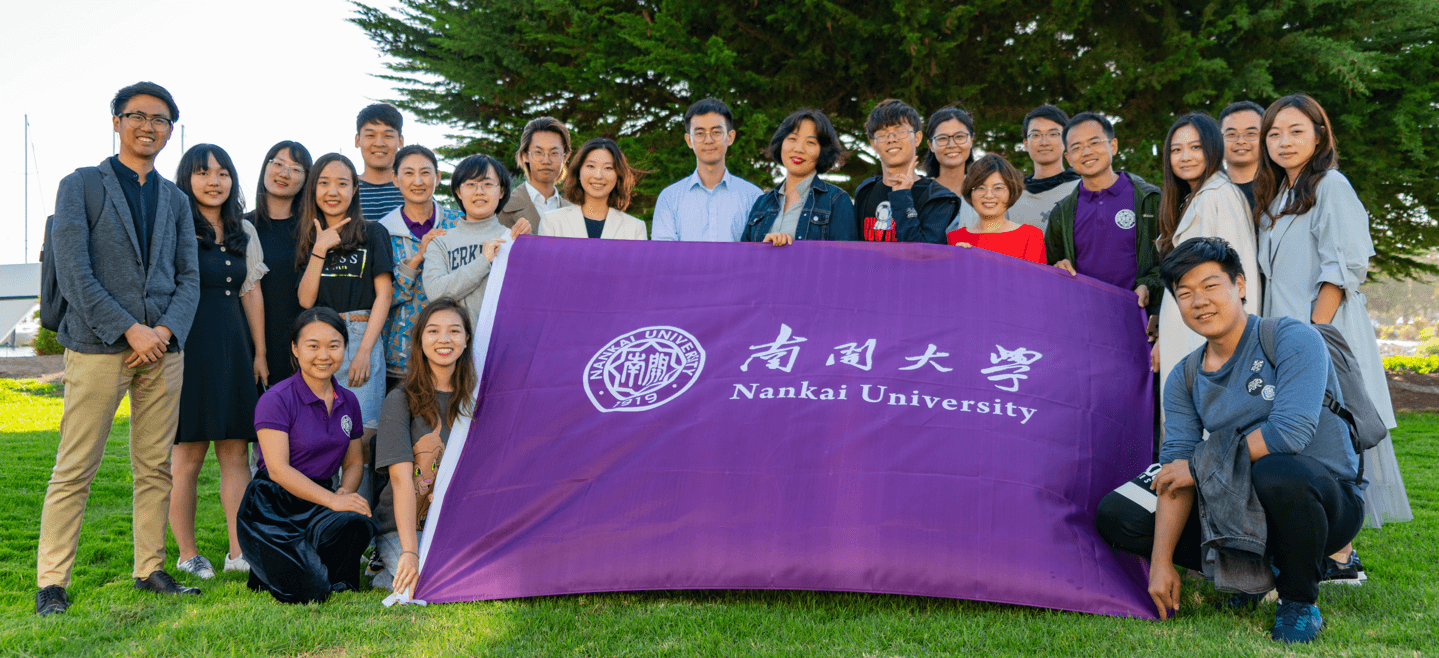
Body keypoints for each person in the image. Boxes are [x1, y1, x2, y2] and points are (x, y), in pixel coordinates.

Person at [1095, 236, 1365, 644]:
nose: (1198, 301)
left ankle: (1298, 601)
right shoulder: (1185, 376)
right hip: (1239, 506)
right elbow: (1175, 470)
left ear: (1240, 285)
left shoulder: (1290, 338)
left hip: (1325, 503)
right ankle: (1253, 573)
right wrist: (1161, 562)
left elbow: (1289, 432)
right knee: (1119, 512)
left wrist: (1198, 468)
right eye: (1184, 293)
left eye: (1210, 286)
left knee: (1276, 469)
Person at [37, 81, 201, 616]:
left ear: (170, 130)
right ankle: (52, 582)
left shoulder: (176, 199)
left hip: (164, 352)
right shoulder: (80, 185)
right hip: (99, 347)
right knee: (75, 466)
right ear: (116, 121)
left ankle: (150, 569)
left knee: (155, 466)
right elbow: (75, 272)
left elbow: (188, 278)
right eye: (137, 115)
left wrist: (164, 334)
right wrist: (130, 329)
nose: (149, 126)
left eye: (160, 119)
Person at [1254, 93, 1409, 539]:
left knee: (1338, 434)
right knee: (1306, 437)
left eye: (1296, 131)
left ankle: (1343, 553)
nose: (1283, 141)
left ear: (1320, 135)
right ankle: (1319, 539)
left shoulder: (1331, 186)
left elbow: (1339, 272)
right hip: (1286, 332)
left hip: (1323, 330)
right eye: (1274, 133)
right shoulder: (1281, 194)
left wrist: (1312, 338)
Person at [168, 144, 269, 580]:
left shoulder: (243, 229)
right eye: (204, 172)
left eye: (223, 172)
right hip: (187, 350)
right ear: (187, 179)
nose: (214, 180)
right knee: (187, 457)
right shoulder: (173, 225)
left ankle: (237, 549)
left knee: (236, 452)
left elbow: (251, 291)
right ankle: (187, 553)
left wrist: (260, 352)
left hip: (234, 346)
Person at [236, 307, 378, 604]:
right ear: (295, 349)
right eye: (313, 346)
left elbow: (353, 462)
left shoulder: (348, 400)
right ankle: (274, 564)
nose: (324, 356)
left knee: (357, 523)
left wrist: (343, 494)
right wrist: (333, 501)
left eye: (334, 346)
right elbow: (277, 470)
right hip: (272, 507)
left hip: (319, 499)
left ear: (344, 347)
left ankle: (309, 563)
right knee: (312, 591)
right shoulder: (276, 399)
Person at [1151, 113, 1260, 402]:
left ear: (1212, 148)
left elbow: (1232, 280)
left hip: (1211, 343)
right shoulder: (1193, 199)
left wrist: (1226, 352)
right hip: (1188, 336)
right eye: (1176, 150)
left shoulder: (1218, 197)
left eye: (1195, 147)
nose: (1185, 157)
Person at [370, 298, 476, 593]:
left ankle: (385, 574)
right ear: (419, 340)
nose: (444, 339)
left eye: (454, 331)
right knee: (429, 585)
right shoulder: (400, 400)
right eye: (433, 331)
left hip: (453, 525)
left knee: (472, 576)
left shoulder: (475, 403)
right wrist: (409, 550)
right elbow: (402, 480)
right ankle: (388, 558)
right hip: (404, 527)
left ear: (467, 340)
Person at [296, 154, 394, 444]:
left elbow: (384, 295)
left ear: (354, 189)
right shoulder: (306, 236)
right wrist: (320, 248)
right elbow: (305, 300)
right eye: (324, 183)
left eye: (342, 183)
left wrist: (364, 351)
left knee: (359, 438)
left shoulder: (373, 232)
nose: (333, 192)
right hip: (319, 337)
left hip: (361, 333)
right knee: (322, 437)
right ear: (314, 189)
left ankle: (356, 492)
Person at [1044, 112, 1162, 317]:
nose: (1086, 152)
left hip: (1140, 318)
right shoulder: (1061, 214)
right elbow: (1049, 266)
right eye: (1077, 147)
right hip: (1084, 320)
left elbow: (1169, 262)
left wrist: (1148, 287)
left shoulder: (1149, 200)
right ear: (1068, 158)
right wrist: (1058, 268)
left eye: (1094, 142)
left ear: (1113, 146)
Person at [379, 145, 461, 389]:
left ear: (437, 177)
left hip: (452, 354)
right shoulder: (381, 231)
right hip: (399, 359)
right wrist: (415, 260)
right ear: (395, 178)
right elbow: (381, 299)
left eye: (425, 173)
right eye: (408, 173)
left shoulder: (459, 224)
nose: (418, 181)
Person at [424, 154, 529, 323]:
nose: (479, 192)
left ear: (501, 191)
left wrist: (526, 245)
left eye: (488, 184)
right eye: (471, 184)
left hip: (502, 343)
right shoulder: (441, 242)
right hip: (457, 346)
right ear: (458, 191)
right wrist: (483, 261)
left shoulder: (513, 240)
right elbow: (435, 293)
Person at [247, 141, 313, 385]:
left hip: (301, 342)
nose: (284, 174)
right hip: (249, 340)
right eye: (278, 164)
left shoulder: (312, 231)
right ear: (266, 167)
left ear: (306, 180)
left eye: (296, 169)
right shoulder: (241, 226)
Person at [651, 98, 764, 242]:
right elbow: (664, 255)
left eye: (716, 132)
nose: (708, 140)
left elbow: (759, 253)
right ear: (689, 140)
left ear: (730, 137)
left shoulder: (753, 197)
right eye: (699, 133)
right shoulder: (669, 198)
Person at [740, 109, 856, 244]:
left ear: (822, 151)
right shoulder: (762, 203)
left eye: (810, 142)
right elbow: (745, 259)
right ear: (781, 143)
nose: (799, 149)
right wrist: (763, 249)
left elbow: (846, 260)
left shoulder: (836, 201)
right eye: (792, 139)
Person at [855, 99, 958, 243]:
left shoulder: (938, 198)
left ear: (917, 138)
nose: (891, 139)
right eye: (883, 134)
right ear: (873, 144)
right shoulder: (865, 191)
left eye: (899, 131)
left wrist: (902, 198)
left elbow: (923, 255)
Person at [538, 138, 648, 240]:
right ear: (578, 172)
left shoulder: (635, 228)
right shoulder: (552, 222)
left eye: (608, 168)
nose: (598, 175)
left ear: (618, 176)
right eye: (591, 166)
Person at [945, 154, 1045, 264]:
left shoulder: (1031, 236)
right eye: (980, 188)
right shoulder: (954, 238)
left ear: (1011, 191)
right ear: (970, 192)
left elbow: (1035, 280)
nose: (988, 195)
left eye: (998, 188)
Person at [1009, 104, 1082, 231]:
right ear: (1026, 144)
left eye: (1053, 134)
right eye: (1036, 135)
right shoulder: (1012, 197)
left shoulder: (1082, 190)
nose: (1044, 142)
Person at [498, 116, 574, 235]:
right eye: (538, 152)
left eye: (554, 153)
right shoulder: (502, 208)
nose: (546, 160)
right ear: (525, 155)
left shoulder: (575, 213)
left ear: (565, 156)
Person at [923, 105, 981, 232]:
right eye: (942, 138)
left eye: (959, 137)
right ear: (931, 145)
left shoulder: (986, 192)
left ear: (971, 140)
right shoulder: (920, 192)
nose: (952, 145)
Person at [354, 103, 406, 222]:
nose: (379, 143)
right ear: (357, 140)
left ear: (400, 141)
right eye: (370, 135)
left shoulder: (413, 189)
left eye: (388, 136)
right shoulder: (345, 189)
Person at [1218, 101, 1265, 208]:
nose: (1241, 141)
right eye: (1231, 134)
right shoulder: (1209, 191)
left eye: (1251, 133)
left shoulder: (1281, 190)